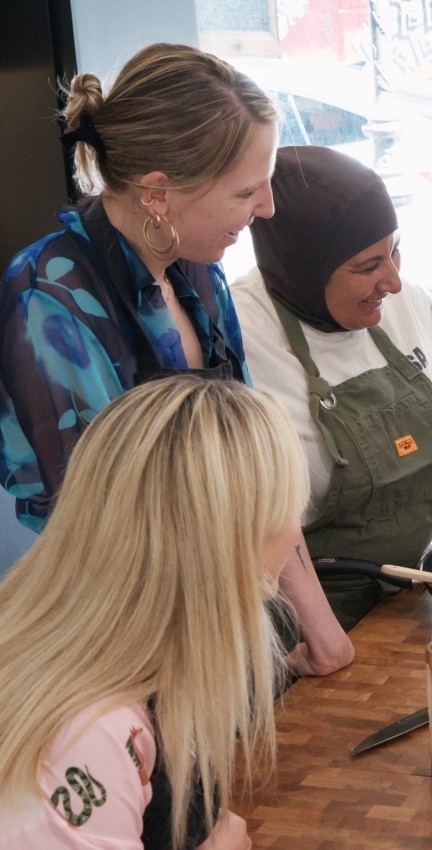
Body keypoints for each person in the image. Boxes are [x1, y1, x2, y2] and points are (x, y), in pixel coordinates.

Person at [0, 43, 352, 675]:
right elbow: (107, 530)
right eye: (247, 189)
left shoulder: (201, 275)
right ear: (159, 194)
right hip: (102, 644)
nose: (267, 208)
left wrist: (323, 634)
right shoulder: (49, 300)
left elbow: (255, 473)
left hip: (202, 618)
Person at [0, 375, 308, 849]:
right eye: (289, 508)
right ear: (232, 541)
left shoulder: (125, 660)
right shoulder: (90, 733)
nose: (295, 529)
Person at [233, 145, 432, 628]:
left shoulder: (398, 306)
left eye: (395, 250)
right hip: (300, 623)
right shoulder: (240, 334)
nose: (393, 281)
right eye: (367, 266)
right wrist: (320, 635)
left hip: (407, 596)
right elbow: (245, 520)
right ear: (304, 269)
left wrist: (403, 453)